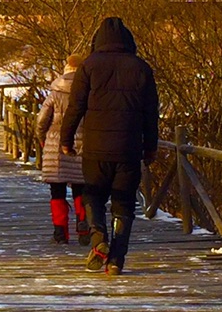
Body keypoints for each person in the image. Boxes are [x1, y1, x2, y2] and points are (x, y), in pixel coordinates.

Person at [60, 16, 159, 275]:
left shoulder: (89, 66)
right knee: (124, 204)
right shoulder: (141, 68)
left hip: (96, 147)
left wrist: (66, 140)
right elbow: (151, 113)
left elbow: (75, 108)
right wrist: (150, 146)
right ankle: (116, 260)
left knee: (93, 195)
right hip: (129, 148)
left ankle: (98, 238)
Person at [35, 55, 91, 245]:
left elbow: (41, 121)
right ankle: (83, 225)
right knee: (80, 187)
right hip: (83, 144)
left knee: (57, 190)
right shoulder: (89, 91)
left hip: (55, 144)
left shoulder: (54, 93)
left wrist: (43, 140)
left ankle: (60, 233)